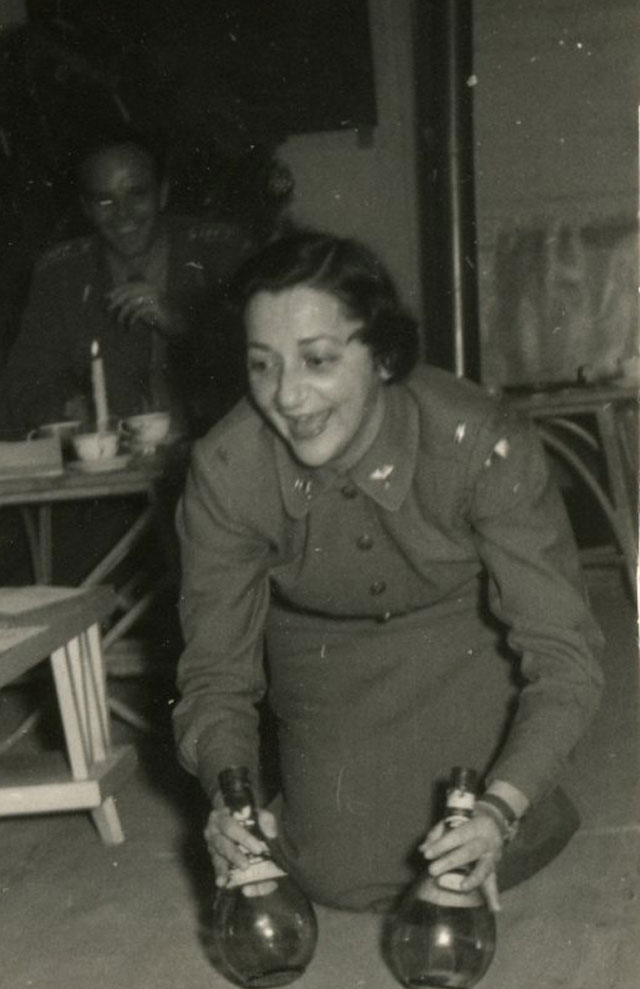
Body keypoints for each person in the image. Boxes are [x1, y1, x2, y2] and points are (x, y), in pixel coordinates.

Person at [173, 231, 604, 913]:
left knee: (474, 847)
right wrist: (232, 797)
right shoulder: (226, 470)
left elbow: (565, 657)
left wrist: (501, 807)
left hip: (465, 648)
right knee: (339, 877)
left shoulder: (481, 439)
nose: (288, 397)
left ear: (382, 354)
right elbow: (215, 676)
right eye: (262, 365)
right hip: (319, 656)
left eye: (317, 359)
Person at [1, 125, 252, 439]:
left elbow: (256, 361)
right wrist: (64, 407)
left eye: (137, 194)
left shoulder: (221, 252)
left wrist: (184, 326)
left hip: (217, 449)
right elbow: (26, 381)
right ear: (86, 208)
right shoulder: (61, 275)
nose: (123, 215)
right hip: (114, 459)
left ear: (162, 193)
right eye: (104, 201)